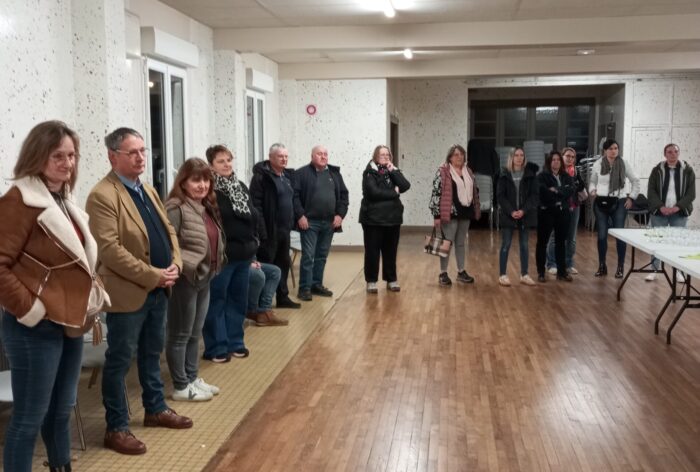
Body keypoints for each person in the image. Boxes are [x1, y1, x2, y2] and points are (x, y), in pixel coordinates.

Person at [0, 121, 105, 472]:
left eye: (72, 155)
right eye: (57, 156)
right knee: (29, 419)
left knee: (61, 412)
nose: (67, 163)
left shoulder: (62, 199)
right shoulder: (19, 201)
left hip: (69, 321)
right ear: (37, 156)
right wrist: (32, 309)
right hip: (33, 328)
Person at [86, 127, 189, 456]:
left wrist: (176, 264)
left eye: (143, 150)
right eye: (132, 152)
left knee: (151, 353)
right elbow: (110, 250)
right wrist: (153, 276)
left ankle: (155, 408)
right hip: (128, 294)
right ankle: (116, 427)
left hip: (159, 289)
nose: (141, 157)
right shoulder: (102, 195)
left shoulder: (147, 189)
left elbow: (169, 231)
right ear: (112, 156)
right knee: (120, 361)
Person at [164, 158, 226, 402]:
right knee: (180, 334)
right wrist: (186, 265)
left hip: (205, 276)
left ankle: (191, 377)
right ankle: (181, 385)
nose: (202, 185)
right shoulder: (176, 208)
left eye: (206, 180)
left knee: (194, 333)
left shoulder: (205, 206)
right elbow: (169, 245)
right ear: (183, 182)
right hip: (186, 279)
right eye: (196, 180)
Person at [203, 144, 258, 362]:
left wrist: (254, 246)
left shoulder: (240, 186)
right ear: (211, 165)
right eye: (220, 161)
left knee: (237, 301)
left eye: (228, 160)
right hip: (223, 257)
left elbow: (252, 217)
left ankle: (236, 342)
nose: (226, 164)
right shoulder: (209, 191)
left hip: (244, 254)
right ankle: (216, 346)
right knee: (217, 301)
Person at [293, 145, 349, 301]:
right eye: (319, 154)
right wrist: (300, 216)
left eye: (325, 154)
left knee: (321, 256)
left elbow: (344, 196)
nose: (323, 156)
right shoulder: (301, 173)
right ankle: (304, 288)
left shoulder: (334, 174)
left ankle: (316, 285)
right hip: (309, 222)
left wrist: (340, 215)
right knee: (308, 256)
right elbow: (294, 197)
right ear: (312, 156)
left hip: (329, 223)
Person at [249, 143, 301, 308]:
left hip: (285, 231)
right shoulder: (261, 178)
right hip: (269, 231)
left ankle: (282, 297)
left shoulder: (287, 177)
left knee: (283, 264)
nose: (284, 159)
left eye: (286, 156)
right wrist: (262, 231)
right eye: (280, 156)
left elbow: (292, 201)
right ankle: (261, 303)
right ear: (271, 157)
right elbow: (256, 206)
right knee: (268, 266)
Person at [359, 145, 411, 293]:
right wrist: (394, 193)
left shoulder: (392, 171)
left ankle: (391, 279)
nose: (385, 157)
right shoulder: (369, 172)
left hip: (393, 219)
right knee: (372, 252)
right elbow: (374, 193)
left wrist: (393, 171)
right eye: (382, 155)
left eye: (387, 155)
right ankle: (371, 281)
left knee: (391, 251)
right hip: (373, 220)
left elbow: (405, 185)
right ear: (375, 156)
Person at [429, 144, 480, 286]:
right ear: (450, 157)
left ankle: (461, 272)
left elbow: (475, 191)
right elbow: (436, 193)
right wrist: (436, 216)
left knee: (460, 243)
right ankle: (443, 273)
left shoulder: (468, 171)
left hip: (466, 212)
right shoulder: (443, 171)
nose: (459, 157)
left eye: (462, 154)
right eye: (456, 154)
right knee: (446, 244)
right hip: (450, 213)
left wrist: (476, 206)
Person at [589, 139, 640, 278]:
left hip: (619, 201)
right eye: (611, 148)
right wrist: (592, 190)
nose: (614, 151)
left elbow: (635, 180)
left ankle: (620, 266)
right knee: (602, 235)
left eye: (616, 148)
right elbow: (592, 181)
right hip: (601, 202)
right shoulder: (598, 164)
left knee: (620, 235)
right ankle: (602, 265)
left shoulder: (624, 163)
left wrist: (631, 198)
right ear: (605, 150)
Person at [645, 143, 696, 281]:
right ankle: (654, 269)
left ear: (679, 153)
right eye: (669, 152)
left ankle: (679, 272)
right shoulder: (657, 170)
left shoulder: (688, 170)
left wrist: (677, 207)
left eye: (675, 152)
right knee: (657, 241)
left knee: (678, 243)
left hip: (679, 212)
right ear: (665, 154)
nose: (673, 154)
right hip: (659, 212)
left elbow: (691, 194)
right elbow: (651, 191)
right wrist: (661, 206)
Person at [496, 146, 538, 287]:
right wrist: (511, 211)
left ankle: (524, 274)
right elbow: (500, 196)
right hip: (509, 215)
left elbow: (534, 196)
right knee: (506, 244)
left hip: (525, 215)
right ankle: (502, 275)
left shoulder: (530, 174)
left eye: (522, 155)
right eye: (516, 155)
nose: (519, 158)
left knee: (524, 245)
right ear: (511, 158)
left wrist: (523, 210)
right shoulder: (504, 174)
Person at [545, 147, 586, 276]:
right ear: (562, 157)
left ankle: (568, 264)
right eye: (567, 156)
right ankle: (552, 264)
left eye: (573, 157)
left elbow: (581, 186)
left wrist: (573, 180)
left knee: (571, 238)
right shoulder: (555, 171)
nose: (570, 159)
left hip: (574, 206)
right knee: (555, 236)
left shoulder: (575, 171)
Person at [536, 151, 575, 283]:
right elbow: (543, 193)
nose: (556, 162)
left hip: (562, 212)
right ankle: (541, 272)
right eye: (553, 159)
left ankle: (562, 272)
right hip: (547, 212)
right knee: (542, 243)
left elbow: (570, 190)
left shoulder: (566, 176)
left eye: (558, 159)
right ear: (549, 162)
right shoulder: (542, 176)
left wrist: (556, 190)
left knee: (561, 243)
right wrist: (560, 192)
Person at [246, 261, 288, 326]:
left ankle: (265, 310)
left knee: (275, 271)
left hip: (247, 260)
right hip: (236, 263)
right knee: (259, 276)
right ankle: (251, 310)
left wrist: (253, 260)